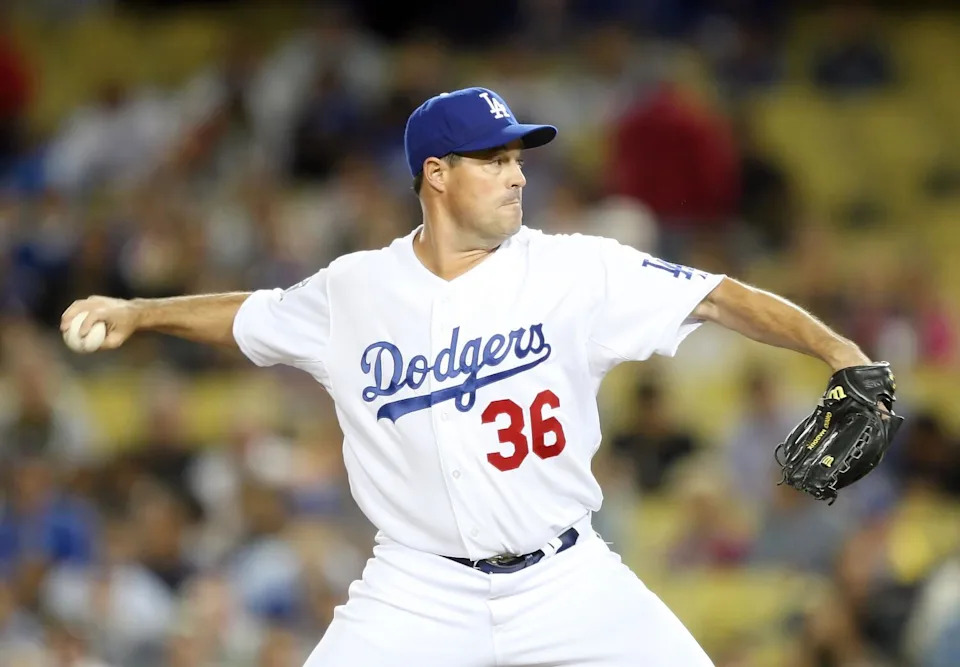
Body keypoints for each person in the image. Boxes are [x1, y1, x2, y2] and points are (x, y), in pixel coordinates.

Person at [61, 86, 875, 666]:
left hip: (568, 577)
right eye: (495, 159)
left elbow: (719, 298)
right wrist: (138, 310)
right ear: (438, 174)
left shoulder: (574, 269)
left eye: (519, 156)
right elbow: (249, 313)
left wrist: (838, 350)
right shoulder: (355, 289)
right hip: (417, 589)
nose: (519, 174)